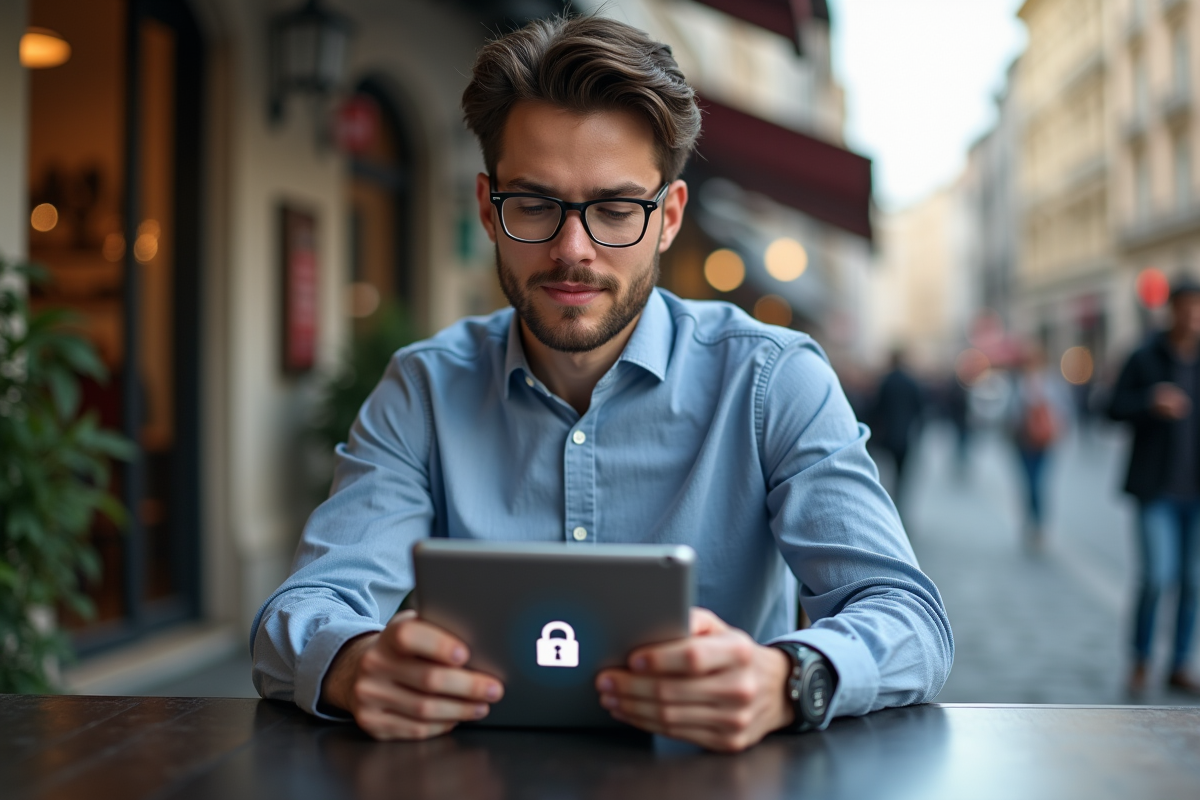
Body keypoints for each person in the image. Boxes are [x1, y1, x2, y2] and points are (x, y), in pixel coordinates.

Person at [250, 15, 952, 752]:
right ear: (489, 210)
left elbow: (906, 616)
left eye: (616, 209)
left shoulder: (773, 379)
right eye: (535, 205)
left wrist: (788, 680)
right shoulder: (423, 388)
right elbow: (299, 614)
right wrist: (357, 665)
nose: (571, 250)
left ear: (669, 217)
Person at [1109, 279, 1200, 697]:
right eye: (1186, 307)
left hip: (1194, 493)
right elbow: (1107, 408)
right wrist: (1149, 402)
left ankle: (1179, 663)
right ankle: (1141, 660)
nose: (1192, 316)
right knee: (1156, 577)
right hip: (1155, 490)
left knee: (1193, 581)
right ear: (1171, 310)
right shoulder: (1145, 357)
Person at [1009, 346, 1069, 551]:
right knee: (1028, 482)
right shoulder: (1019, 383)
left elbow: (1063, 410)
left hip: (1044, 442)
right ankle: (1032, 521)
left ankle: (1038, 523)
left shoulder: (1051, 383)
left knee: (1038, 483)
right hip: (1023, 442)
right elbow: (1012, 412)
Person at [868, 350, 924, 512]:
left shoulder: (886, 382)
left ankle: (886, 506)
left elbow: (877, 408)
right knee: (902, 476)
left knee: (884, 473)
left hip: (887, 435)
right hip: (906, 436)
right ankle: (899, 506)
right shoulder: (911, 382)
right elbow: (919, 409)